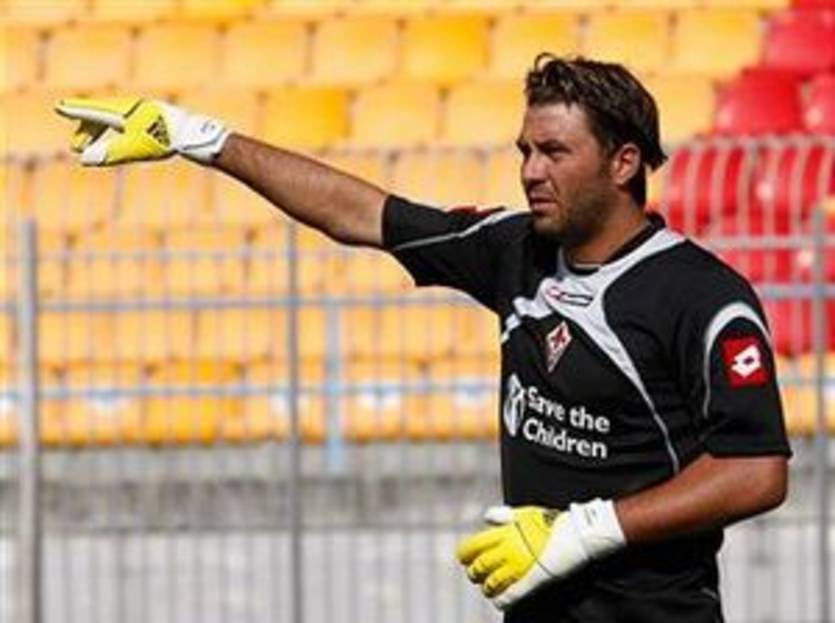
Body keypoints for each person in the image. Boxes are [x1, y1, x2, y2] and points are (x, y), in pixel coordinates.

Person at [56, 54, 791, 622]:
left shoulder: (700, 296)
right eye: (524, 151)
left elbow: (756, 470)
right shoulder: (514, 249)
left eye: (554, 152)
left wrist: (584, 531)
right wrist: (198, 137)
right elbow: (361, 214)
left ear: (624, 162)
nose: (530, 171)